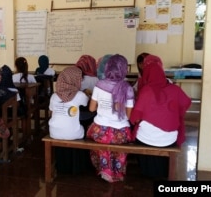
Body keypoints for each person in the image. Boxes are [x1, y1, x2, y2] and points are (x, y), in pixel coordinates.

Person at [129, 55, 191, 179]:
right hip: (170, 140)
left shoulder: (146, 90)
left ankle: (146, 172)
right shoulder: (175, 89)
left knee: (138, 130)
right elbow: (186, 104)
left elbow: (134, 118)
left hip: (145, 139)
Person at [86, 54, 134, 182]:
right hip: (121, 133)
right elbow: (129, 116)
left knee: (100, 142)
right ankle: (117, 171)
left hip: (100, 131)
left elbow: (91, 109)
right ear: (124, 69)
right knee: (118, 145)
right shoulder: (128, 88)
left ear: (107, 68)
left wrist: (104, 107)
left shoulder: (99, 85)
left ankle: (104, 169)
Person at [49, 66, 92, 174]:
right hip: (73, 134)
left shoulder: (54, 96)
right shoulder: (80, 95)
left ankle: (62, 166)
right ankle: (80, 166)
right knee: (85, 126)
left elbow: (51, 113)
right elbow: (89, 106)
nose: (81, 82)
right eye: (80, 79)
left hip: (54, 133)